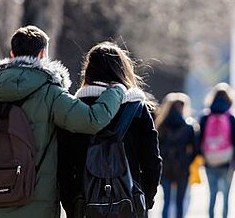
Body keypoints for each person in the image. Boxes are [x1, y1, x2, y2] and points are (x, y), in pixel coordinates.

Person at [0, 26, 125, 218]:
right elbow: (92, 120)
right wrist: (116, 91)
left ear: (12, 54)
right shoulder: (50, 93)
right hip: (38, 206)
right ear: (42, 54)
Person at [58, 41, 162, 217]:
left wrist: (71, 205)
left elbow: (64, 165)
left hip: (84, 206)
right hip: (130, 203)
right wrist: (145, 200)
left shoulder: (75, 109)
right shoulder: (137, 109)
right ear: (122, 71)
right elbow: (152, 161)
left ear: (89, 71)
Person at [198, 83, 235, 218]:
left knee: (212, 194)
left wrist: (203, 156)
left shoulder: (205, 116)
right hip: (227, 160)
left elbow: (199, 139)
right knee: (226, 195)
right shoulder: (231, 117)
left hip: (209, 159)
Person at [156, 92, 196, 218]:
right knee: (179, 202)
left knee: (166, 201)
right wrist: (187, 161)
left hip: (165, 166)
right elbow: (195, 149)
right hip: (182, 167)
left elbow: (156, 147)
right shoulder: (188, 127)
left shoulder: (160, 126)